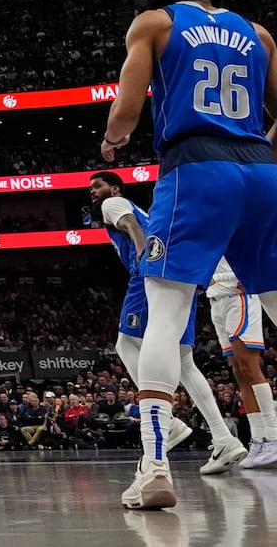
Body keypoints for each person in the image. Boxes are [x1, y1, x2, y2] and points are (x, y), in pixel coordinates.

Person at [100, 0, 277, 509]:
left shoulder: (154, 21)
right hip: (261, 170)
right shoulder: (259, 33)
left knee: (166, 309)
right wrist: (256, 150)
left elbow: (126, 112)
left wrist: (112, 142)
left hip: (197, 169)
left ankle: (154, 469)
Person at [89, 170, 238, 468]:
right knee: (184, 362)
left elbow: (130, 225)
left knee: (127, 344)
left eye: (98, 185)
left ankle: (167, 422)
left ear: (114, 188)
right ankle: (224, 439)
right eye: (91, 187)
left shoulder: (113, 204)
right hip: (178, 277)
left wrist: (143, 255)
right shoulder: (143, 209)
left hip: (149, 275)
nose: (93, 191)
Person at [205, 259, 277, 467]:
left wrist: (216, 279)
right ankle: (258, 438)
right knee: (238, 371)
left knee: (250, 368)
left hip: (239, 296)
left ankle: (272, 435)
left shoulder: (233, 227)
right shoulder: (207, 231)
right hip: (216, 300)